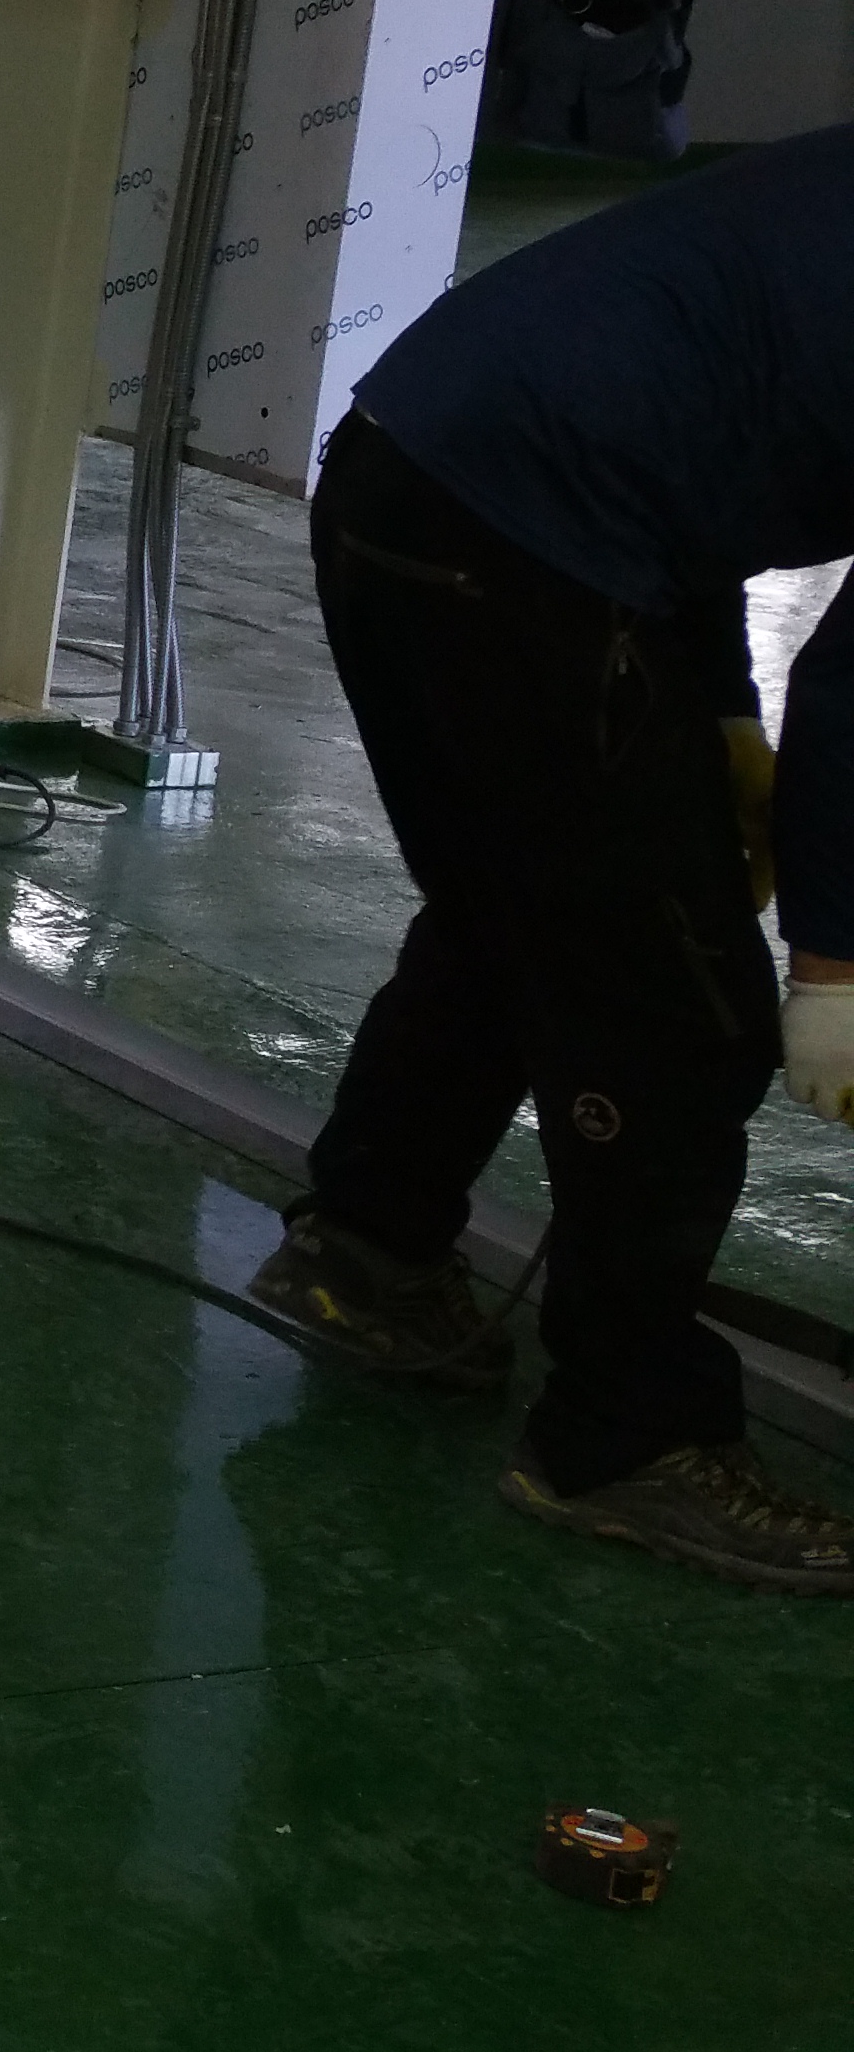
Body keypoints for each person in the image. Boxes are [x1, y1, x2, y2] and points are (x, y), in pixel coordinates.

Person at [246, 130, 854, 1592]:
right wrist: (834, 964)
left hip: (408, 474)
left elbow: (708, 405)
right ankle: (623, 1439)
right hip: (521, 541)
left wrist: (717, 710)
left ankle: (367, 1251)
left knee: (515, 904)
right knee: (678, 1008)